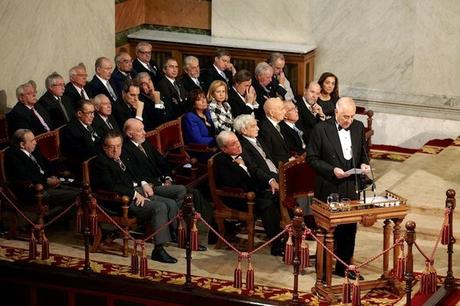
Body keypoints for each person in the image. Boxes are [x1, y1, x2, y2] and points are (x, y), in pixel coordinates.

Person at [307, 97, 370, 280]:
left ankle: (344, 267)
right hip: (329, 185)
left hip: (351, 185)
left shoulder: (358, 127)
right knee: (329, 230)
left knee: (349, 229)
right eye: (345, 117)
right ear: (336, 112)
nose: (348, 120)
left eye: (351, 116)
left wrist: (365, 165)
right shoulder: (321, 129)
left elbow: (363, 154)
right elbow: (312, 158)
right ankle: (324, 269)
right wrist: (332, 170)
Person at [91, 131, 178, 263]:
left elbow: (136, 173)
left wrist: (143, 184)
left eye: (119, 146)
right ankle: (158, 250)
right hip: (120, 201)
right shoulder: (100, 162)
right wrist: (134, 194)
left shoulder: (123, 155)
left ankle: (177, 236)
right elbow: (110, 186)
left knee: (171, 203)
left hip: (135, 192)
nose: (116, 150)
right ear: (104, 147)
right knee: (159, 207)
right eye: (111, 147)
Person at [213, 131, 283, 256]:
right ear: (224, 149)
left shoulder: (242, 153)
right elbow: (233, 184)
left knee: (278, 196)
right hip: (237, 198)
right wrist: (242, 167)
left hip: (253, 192)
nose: (238, 145)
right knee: (267, 205)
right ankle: (277, 245)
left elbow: (255, 170)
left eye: (238, 141)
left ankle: (286, 234)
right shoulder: (220, 161)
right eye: (233, 144)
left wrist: (270, 180)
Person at [5, 129, 79, 206]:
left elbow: (47, 163)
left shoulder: (34, 149)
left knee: (80, 189)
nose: (35, 142)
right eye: (32, 140)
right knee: (78, 196)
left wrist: (53, 176)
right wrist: (46, 181)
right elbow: (24, 177)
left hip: (50, 184)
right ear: (22, 144)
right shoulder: (13, 156)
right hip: (36, 191)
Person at [257, 97, 291, 167]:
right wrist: (289, 160)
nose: (285, 111)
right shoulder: (264, 129)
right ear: (272, 113)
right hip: (281, 167)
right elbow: (269, 155)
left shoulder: (279, 123)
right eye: (281, 109)